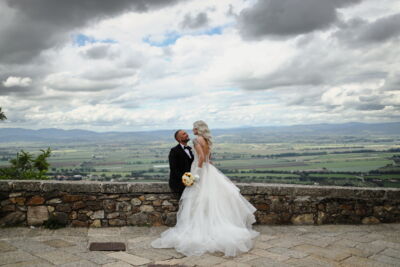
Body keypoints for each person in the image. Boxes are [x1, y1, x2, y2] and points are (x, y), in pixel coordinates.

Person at [151, 120, 259, 257]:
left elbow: (201, 157)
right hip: (208, 170)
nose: (191, 131)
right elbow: (208, 158)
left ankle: (202, 228)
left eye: (192, 129)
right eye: (185, 132)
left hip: (200, 171)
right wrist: (208, 169)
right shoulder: (206, 140)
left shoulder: (196, 141)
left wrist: (197, 174)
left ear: (197, 129)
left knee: (198, 200)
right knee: (208, 199)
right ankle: (211, 226)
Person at [168, 130, 194, 199]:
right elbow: (174, 169)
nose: (187, 134)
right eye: (184, 134)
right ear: (179, 139)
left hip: (190, 180)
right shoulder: (174, 151)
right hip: (179, 183)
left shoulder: (190, 149)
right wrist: (186, 179)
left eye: (186, 133)